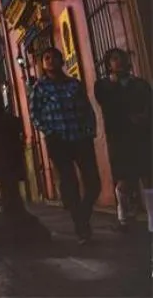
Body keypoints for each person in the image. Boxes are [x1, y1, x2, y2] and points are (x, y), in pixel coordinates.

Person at [29, 46, 101, 242]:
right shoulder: (39, 87)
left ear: (61, 61)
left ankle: (82, 216)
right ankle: (81, 227)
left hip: (80, 137)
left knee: (94, 182)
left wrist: (90, 129)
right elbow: (35, 114)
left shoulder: (74, 85)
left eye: (54, 57)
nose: (50, 60)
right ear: (43, 64)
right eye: (46, 57)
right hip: (58, 140)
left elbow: (87, 109)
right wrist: (49, 132)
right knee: (70, 184)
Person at [94, 47, 152, 233]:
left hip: (142, 135)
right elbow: (108, 106)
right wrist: (115, 85)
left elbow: (149, 103)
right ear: (108, 64)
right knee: (124, 179)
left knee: (148, 175)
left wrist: (144, 117)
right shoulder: (103, 85)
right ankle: (123, 214)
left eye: (120, 58)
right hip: (119, 137)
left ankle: (151, 218)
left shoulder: (140, 84)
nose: (117, 62)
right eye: (113, 59)